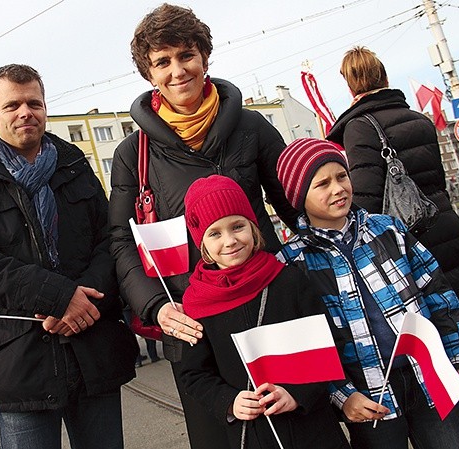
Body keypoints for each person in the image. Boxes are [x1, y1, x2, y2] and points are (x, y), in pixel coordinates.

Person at [108, 5, 298, 447]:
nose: (178, 71)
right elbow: (119, 241)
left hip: (266, 307)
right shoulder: (131, 155)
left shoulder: (251, 126)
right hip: (191, 324)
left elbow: (294, 207)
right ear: (149, 74)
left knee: (296, 426)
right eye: (162, 61)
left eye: (186, 55)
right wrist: (156, 307)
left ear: (205, 58)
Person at [0, 64, 138, 449]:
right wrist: (60, 298)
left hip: (91, 348)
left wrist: (84, 303)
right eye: (12, 104)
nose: (25, 112)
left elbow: (110, 241)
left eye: (34, 102)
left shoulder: (76, 167)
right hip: (19, 365)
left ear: (45, 108)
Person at [276, 138, 459, 449]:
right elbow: (305, 348)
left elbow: (440, 297)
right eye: (323, 184)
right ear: (299, 196)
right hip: (368, 397)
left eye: (341, 176)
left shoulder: (388, 230)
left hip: (428, 379)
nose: (338, 189)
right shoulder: (292, 262)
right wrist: (342, 396)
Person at [178, 175, 350, 449]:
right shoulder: (197, 303)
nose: (230, 241)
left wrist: (297, 395)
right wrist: (228, 401)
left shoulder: (289, 281)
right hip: (253, 436)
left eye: (237, 227)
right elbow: (195, 374)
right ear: (203, 244)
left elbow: (330, 347)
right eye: (215, 233)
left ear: (253, 227)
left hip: (314, 431)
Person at [326, 46, 459, 329]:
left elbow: (367, 199)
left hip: (408, 245)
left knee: (435, 343)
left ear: (349, 85)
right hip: (447, 231)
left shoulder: (359, 127)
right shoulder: (420, 121)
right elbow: (437, 182)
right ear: (384, 77)